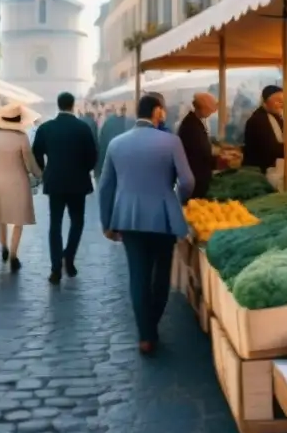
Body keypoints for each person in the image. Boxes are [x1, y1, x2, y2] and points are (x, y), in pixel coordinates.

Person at [98, 94, 195, 356]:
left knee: (138, 275)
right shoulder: (171, 141)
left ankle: (146, 335)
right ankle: (151, 325)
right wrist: (175, 200)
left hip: (128, 218)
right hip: (163, 216)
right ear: (157, 112)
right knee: (161, 275)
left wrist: (106, 222)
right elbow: (187, 181)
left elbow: (105, 187)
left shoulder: (116, 144)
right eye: (162, 110)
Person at [33, 92, 98, 284]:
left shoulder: (46, 128)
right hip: (78, 183)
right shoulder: (83, 128)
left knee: (55, 224)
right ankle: (68, 257)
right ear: (73, 105)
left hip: (55, 183)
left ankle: (55, 269)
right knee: (77, 222)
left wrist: (45, 171)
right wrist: (83, 170)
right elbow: (93, 156)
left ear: (58, 105)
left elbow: (36, 152)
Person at [0, 103, 42, 273]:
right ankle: (14, 255)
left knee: (1, 218)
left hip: (0, 182)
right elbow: (30, 163)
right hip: (19, 183)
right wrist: (40, 174)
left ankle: (3, 246)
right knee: (18, 221)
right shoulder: (22, 138)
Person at [242, 85, 287, 172]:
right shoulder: (258, 120)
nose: (282, 104)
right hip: (258, 171)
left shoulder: (276, 117)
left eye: (283, 101)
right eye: (278, 101)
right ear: (265, 101)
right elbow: (270, 150)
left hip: (274, 166)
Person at [178, 92, 218, 199]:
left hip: (198, 175)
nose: (210, 113)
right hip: (195, 176)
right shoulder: (191, 125)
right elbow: (200, 151)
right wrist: (218, 159)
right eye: (210, 110)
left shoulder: (195, 122)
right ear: (203, 108)